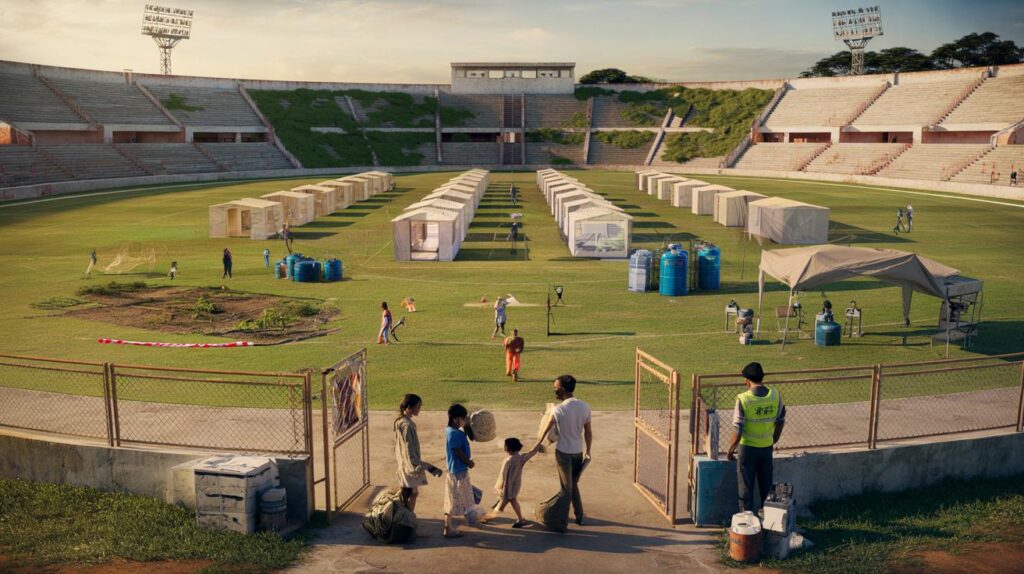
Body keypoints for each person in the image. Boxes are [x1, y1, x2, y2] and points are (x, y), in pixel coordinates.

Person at [532, 374, 592, 528]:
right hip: (578, 452)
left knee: (566, 489)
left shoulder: (558, 409)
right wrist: (588, 451)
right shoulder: (585, 406)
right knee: (572, 484)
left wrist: (538, 444)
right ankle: (579, 516)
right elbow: (588, 432)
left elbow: (547, 428)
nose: (555, 392)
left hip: (563, 453)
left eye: (556, 389)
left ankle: (558, 520)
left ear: (564, 389)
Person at [726, 362, 786, 514]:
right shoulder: (775, 395)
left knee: (746, 488)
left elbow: (738, 429)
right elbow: (780, 420)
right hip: (766, 448)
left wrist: (731, 449)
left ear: (747, 380)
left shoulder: (743, 399)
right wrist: (774, 439)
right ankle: (769, 520)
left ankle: (747, 522)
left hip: (747, 450)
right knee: (766, 487)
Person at [394, 394, 443, 513]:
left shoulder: (400, 421)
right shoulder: (407, 425)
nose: (419, 410)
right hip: (409, 466)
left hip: (403, 463)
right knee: (412, 493)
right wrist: (429, 468)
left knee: (409, 492)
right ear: (409, 407)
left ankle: (405, 517)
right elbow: (410, 451)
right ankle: (407, 518)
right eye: (418, 407)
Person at [481, 437, 536, 528]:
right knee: (512, 500)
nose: (504, 446)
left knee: (503, 504)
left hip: (508, 486)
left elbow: (504, 476)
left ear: (509, 447)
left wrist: (501, 488)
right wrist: (540, 442)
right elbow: (532, 452)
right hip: (515, 484)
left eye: (505, 445)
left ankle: (487, 517)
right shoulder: (521, 457)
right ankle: (520, 518)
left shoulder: (508, 461)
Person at [443, 403, 476, 538]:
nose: (464, 421)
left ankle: (469, 518)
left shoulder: (452, 431)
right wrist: (468, 462)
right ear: (456, 418)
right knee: (454, 499)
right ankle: (448, 528)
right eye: (463, 418)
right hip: (458, 471)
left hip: (457, 470)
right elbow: (457, 451)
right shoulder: (455, 434)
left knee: (464, 494)